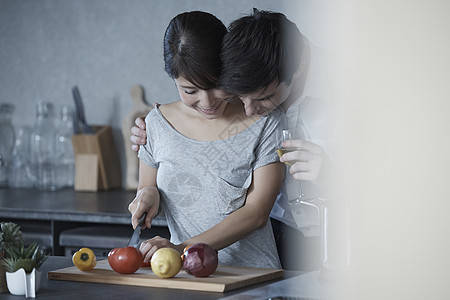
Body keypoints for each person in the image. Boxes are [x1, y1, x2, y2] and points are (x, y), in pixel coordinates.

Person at [130, 9, 333, 271]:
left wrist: (184, 248)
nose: (207, 102)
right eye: (190, 90)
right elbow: (150, 186)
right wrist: (148, 193)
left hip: (306, 247)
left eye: (216, 86)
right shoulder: (157, 123)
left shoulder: (273, 117)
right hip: (200, 266)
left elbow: (257, 212)